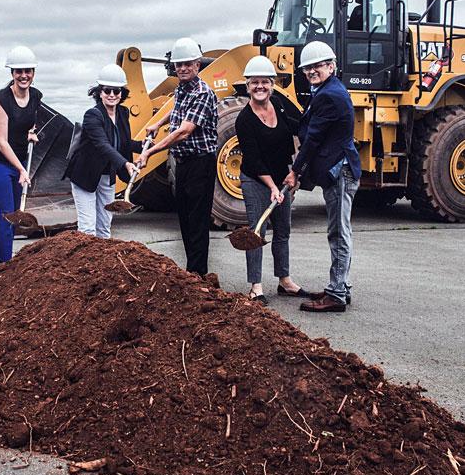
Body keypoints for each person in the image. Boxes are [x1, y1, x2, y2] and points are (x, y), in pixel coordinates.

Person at [283, 41, 361, 313]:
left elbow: (313, 139)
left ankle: (337, 294)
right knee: (341, 230)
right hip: (340, 169)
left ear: (331, 65)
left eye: (317, 66)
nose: (311, 71)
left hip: (339, 171)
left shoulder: (329, 95)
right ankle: (341, 286)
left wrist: (295, 171)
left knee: (338, 232)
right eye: (307, 68)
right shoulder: (327, 90)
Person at [139, 37, 218, 277]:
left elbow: (184, 131)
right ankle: (191, 270)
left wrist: (151, 151)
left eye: (187, 64)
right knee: (184, 217)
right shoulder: (182, 88)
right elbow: (177, 109)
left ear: (197, 65)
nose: (182, 68)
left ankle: (198, 273)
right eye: (179, 65)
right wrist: (156, 123)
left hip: (200, 163)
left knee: (197, 220)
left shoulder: (204, 93)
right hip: (183, 164)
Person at [234, 55, 310, 304]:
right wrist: (272, 188)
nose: (260, 87)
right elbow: (254, 161)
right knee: (257, 231)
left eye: (265, 82)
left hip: (282, 177)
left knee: (283, 230)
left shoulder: (277, 104)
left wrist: (294, 171)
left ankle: (284, 280)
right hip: (256, 180)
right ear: (247, 86)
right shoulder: (244, 120)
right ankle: (255, 286)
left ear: (272, 84)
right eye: (254, 82)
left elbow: (294, 129)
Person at [0, 46, 42, 264]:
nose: (23, 75)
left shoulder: (36, 96)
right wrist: (22, 169)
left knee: (13, 217)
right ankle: (3, 266)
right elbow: (0, 141)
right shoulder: (1, 100)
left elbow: (27, 122)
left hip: (17, 162)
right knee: (5, 217)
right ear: (12, 73)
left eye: (28, 71)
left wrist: (29, 134)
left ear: (33, 72)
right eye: (18, 71)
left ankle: (2, 263)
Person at [63, 64, 141, 237]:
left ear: (122, 92)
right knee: (88, 228)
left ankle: (101, 264)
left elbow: (123, 141)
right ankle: (84, 263)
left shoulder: (122, 112)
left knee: (105, 227)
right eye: (107, 90)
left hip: (107, 174)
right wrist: (125, 163)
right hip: (85, 174)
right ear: (99, 92)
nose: (112, 95)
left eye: (116, 90)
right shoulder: (92, 115)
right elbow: (103, 144)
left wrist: (146, 148)